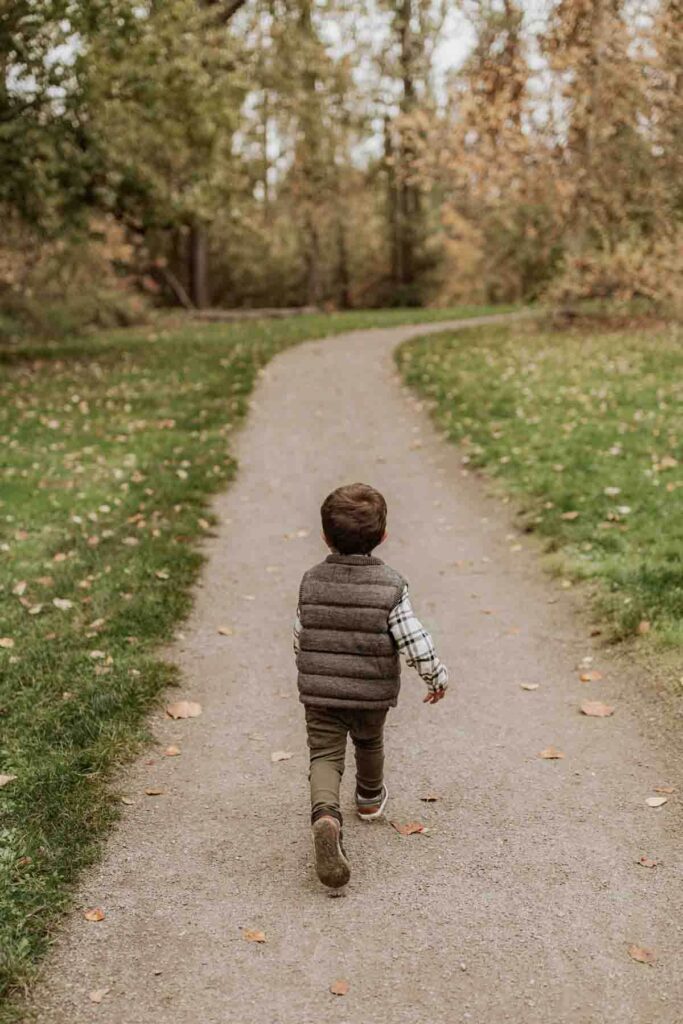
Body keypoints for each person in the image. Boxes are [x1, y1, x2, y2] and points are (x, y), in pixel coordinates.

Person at [293, 482, 448, 888]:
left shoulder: (311, 580)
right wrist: (434, 674)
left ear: (325, 536)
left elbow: (301, 632)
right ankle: (369, 798)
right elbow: (412, 638)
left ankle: (326, 815)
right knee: (368, 741)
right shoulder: (391, 585)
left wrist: (306, 664)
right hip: (370, 692)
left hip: (320, 691)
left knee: (324, 754)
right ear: (382, 537)